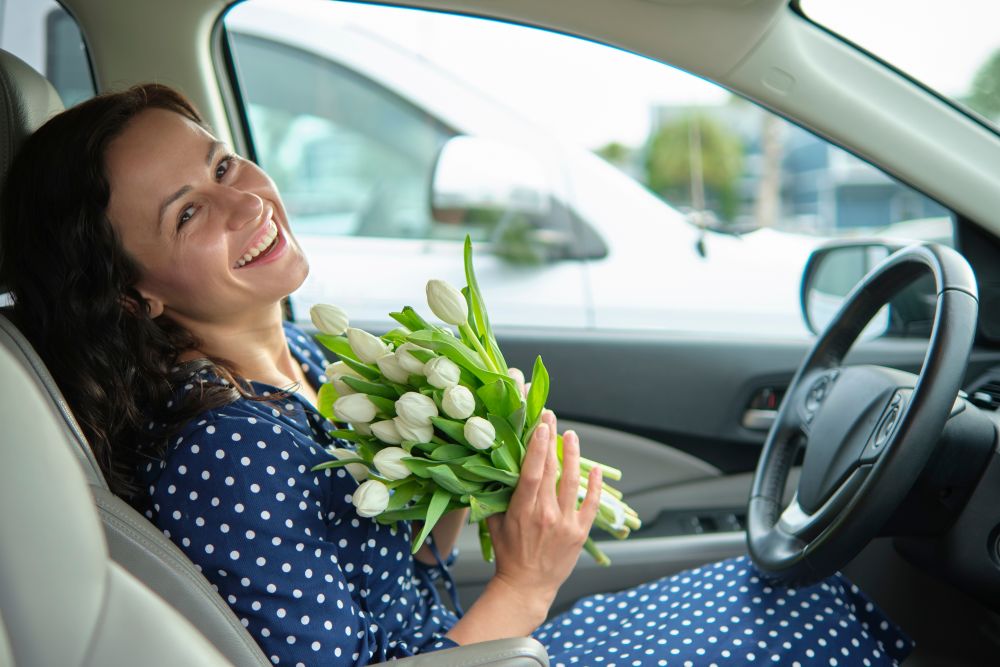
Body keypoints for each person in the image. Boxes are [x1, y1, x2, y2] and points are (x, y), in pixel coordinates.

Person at [0, 84, 914, 666]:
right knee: (807, 622)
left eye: (224, 161)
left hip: (478, 645)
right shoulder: (226, 447)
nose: (248, 198)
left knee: (793, 589)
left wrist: (467, 509)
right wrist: (525, 578)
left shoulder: (312, 363)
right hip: (484, 652)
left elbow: (373, 579)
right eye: (192, 210)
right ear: (133, 298)